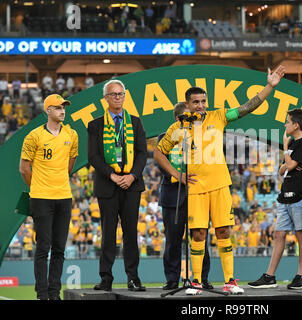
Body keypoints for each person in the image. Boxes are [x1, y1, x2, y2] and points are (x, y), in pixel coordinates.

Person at [154, 66, 285, 295]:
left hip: (220, 186)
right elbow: (158, 153)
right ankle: (195, 282)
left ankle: (229, 281)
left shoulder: (219, 116)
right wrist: (178, 175)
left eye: (204, 101)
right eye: (196, 102)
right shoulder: (178, 127)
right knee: (198, 235)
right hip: (195, 188)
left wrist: (269, 87)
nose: (201, 105)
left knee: (224, 232)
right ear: (187, 104)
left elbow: (248, 107)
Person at [87, 79, 147, 292]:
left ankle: (133, 278)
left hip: (132, 185)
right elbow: (93, 156)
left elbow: (142, 153)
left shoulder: (135, 122)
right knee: (108, 234)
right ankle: (106, 278)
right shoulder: (95, 125)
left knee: (131, 233)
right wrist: (112, 175)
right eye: (113, 94)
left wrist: (132, 175)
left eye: (121, 94)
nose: (118, 97)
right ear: (106, 98)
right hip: (108, 185)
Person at [19, 94, 78, 300]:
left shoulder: (72, 134)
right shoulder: (34, 136)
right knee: (43, 248)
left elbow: (70, 164)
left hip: (64, 197)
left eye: (64, 107)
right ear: (48, 111)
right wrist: (39, 187)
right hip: (41, 197)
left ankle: (54, 293)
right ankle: (42, 295)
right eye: (58, 107)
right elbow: (24, 169)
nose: (63, 110)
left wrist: (58, 181)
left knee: (60, 248)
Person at [248, 109, 302, 290]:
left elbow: (290, 165)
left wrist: (287, 153)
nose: (285, 125)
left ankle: (301, 276)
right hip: (285, 195)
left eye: (287, 122)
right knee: (279, 234)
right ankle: (269, 276)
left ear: (296, 125)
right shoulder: (294, 143)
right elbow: (282, 169)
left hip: (299, 196)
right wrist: (288, 163)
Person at [158, 102, 212, 290]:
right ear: (176, 119)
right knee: (173, 240)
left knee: (200, 238)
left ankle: (202, 277)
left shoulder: (202, 139)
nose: (192, 121)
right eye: (187, 118)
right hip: (173, 196)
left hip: (198, 194)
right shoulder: (164, 138)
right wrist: (178, 175)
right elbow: (162, 166)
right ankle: (172, 278)